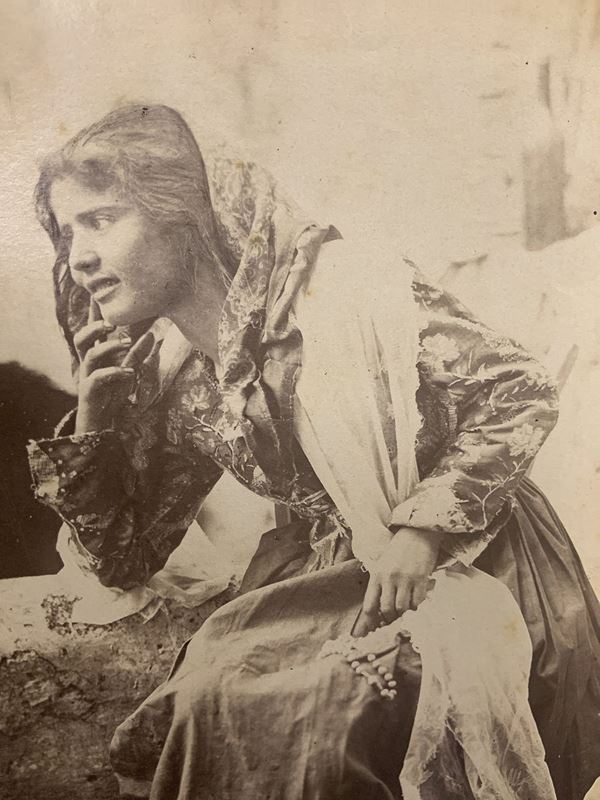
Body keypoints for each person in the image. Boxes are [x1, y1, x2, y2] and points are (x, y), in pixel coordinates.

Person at [28, 104, 600, 800]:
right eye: (66, 232)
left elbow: (520, 388)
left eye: (101, 219)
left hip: (475, 566)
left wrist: (420, 532)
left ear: (182, 213)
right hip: (328, 577)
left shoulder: (341, 291)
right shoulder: (174, 373)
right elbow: (123, 559)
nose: (78, 256)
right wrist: (96, 425)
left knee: (313, 723)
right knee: (205, 700)